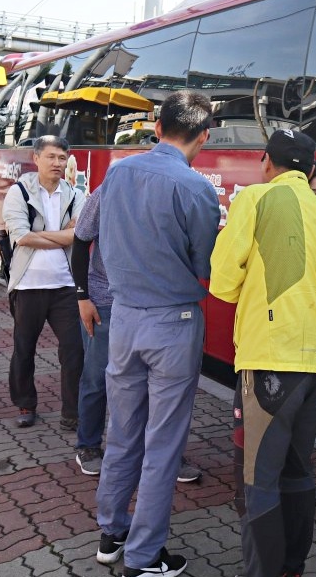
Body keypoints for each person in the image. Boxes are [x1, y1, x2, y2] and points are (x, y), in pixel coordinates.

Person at [210, 129, 316, 577]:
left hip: (269, 360)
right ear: (309, 170)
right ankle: (292, 566)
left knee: (258, 478)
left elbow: (222, 280)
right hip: (315, 365)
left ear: (267, 162)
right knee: (298, 470)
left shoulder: (257, 198)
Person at [93, 91, 219, 577]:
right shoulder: (196, 188)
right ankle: (145, 558)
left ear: (158, 127)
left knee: (123, 432)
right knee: (163, 444)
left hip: (124, 317)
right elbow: (204, 263)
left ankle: (112, 532)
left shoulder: (118, 172)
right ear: (203, 137)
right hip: (173, 322)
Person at [69, 184, 201, 484]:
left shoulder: (173, 190)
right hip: (106, 301)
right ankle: (88, 445)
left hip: (158, 304)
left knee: (159, 383)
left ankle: (164, 454)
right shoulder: (108, 191)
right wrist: (82, 297)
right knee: (97, 377)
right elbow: (80, 240)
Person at [2, 135, 85, 430]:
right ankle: (26, 404)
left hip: (65, 286)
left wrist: (42, 234)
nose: (57, 163)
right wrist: (62, 235)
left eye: (62, 158)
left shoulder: (75, 195)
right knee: (24, 348)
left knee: (74, 350)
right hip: (28, 285)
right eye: (51, 157)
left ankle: (72, 412)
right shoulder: (19, 192)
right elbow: (21, 236)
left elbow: (80, 235)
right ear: (36, 158)